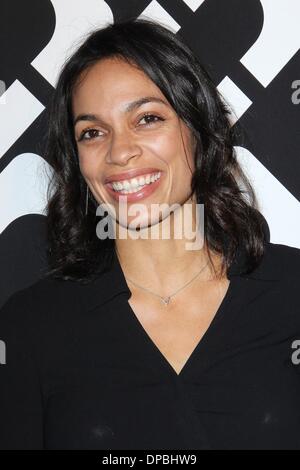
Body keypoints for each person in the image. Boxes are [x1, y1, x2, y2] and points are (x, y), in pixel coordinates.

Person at [0, 17, 300, 450]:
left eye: (147, 118)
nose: (120, 151)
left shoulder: (290, 292)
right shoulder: (30, 327)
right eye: (93, 132)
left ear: (198, 128)